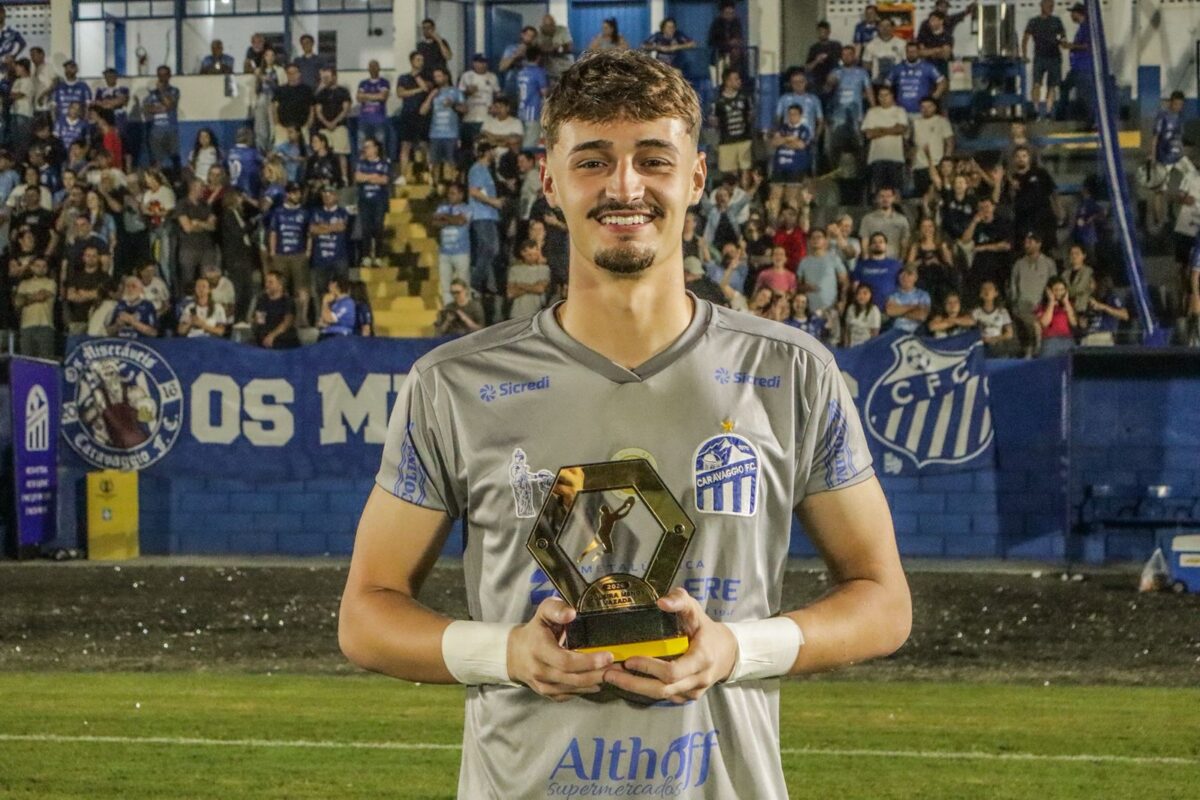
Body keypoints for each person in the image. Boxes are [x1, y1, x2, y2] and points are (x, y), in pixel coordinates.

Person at [340, 51, 909, 800]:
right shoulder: (451, 385)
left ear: (697, 178)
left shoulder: (795, 373)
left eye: (652, 159)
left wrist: (736, 648)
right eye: (593, 161)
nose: (624, 187)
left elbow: (884, 601)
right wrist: (508, 653)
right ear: (550, 182)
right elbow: (366, 613)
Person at [267, 181, 311, 325]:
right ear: (287, 194)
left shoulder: (304, 212)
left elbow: (310, 233)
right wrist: (273, 251)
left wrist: (308, 251)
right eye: (293, 192)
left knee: (302, 287)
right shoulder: (278, 212)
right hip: (281, 253)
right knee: (280, 287)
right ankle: (280, 317)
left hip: (298, 254)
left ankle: (302, 317)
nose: (296, 195)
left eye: (298, 192)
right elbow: (273, 232)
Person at [861, 85, 908, 197]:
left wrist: (880, 129)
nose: (883, 98)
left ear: (892, 96)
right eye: (880, 96)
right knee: (878, 191)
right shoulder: (872, 112)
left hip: (896, 157)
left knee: (896, 191)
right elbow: (869, 134)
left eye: (886, 95)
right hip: (877, 158)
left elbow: (901, 129)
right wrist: (892, 129)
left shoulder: (900, 111)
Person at [1023, 0, 1067, 120]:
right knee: (1036, 83)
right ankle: (1036, 110)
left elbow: (1063, 37)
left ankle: (1048, 112)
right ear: (1042, 5)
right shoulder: (1034, 22)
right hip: (1040, 57)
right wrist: (1024, 54)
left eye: (1052, 6)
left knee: (1052, 85)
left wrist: (1064, 43)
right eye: (1048, 5)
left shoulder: (1056, 21)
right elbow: (1025, 38)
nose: (1051, 8)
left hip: (1054, 57)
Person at [421, 67, 466, 184]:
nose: (437, 79)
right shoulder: (433, 92)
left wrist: (452, 104)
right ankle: (434, 187)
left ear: (446, 76)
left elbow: (465, 109)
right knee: (434, 162)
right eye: (435, 77)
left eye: (439, 76)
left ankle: (453, 186)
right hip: (435, 134)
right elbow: (422, 111)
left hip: (451, 134)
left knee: (452, 162)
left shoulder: (456, 91)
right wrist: (430, 96)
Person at [431, 182, 472, 304]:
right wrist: (452, 219)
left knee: (463, 283)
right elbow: (434, 223)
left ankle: (465, 309)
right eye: (449, 193)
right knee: (445, 286)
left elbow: (461, 221)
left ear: (461, 195)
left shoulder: (467, 208)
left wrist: (444, 217)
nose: (450, 196)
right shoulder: (442, 207)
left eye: (453, 193)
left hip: (461, 252)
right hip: (444, 252)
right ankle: (448, 309)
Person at [395, 51, 431, 181]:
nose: (420, 62)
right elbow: (400, 93)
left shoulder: (427, 76)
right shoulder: (403, 77)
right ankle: (403, 176)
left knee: (424, 145)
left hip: (422, 115)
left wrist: (417, 77)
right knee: (405, 145)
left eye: (422, 59)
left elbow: (426, 88)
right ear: (411, 61)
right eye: (417, 59)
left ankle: (428, 175)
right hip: (407, 114)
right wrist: (417, 90)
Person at [712, 70, 754, 180]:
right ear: (727, 81)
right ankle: (734, 196)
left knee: (745, 169)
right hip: (727, 141)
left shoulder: (745, 97)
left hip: (744, 139)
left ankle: (745, 195)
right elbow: (714, 121)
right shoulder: (718, 101)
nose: (739, 81)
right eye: (736, 79)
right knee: (731, 174)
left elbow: (750, 116)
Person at [355, 137, 390, 268]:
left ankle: (379, 255)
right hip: (364, 200)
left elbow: (384, 180)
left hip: (379, 200)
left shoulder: (383, 163)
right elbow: (358, 177)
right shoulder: (361, 163)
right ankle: (366, 256)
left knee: (378, 226)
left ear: (376, 148)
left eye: (369, 146)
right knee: (366, 228)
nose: (366, 149)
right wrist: (373, 177)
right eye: (365, 147)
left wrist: (367, 178)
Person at [889, 42, 946, 117]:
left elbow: (942, 81)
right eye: (908, 52)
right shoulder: (898, 67)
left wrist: (933, 98)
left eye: (913, 52)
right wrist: (890, 101)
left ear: (919, 52)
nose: (911, 54)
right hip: (901, 112)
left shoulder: (928, 67)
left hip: (921, 112)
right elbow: (886, 84)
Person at [309, 185, 350, 289]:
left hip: (339, 257)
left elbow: (341, 227)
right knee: (321, 290)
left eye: (330, 193)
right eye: (324, 193)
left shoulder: (342, 212)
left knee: (342, 288)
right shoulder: (316, 211)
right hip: (320, 259)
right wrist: (332, 227)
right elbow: (312, 229)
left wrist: (322, 227)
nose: (327, 196)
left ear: (336, 196)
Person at [13, 256, 55, 358]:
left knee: (45, 361)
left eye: (44, 266)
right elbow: (17, 302)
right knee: (27, 361)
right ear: (31, 267)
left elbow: (42, 296)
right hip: (26, 327)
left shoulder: (51, 283)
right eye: (38, 266)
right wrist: (34, 296)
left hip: (45, 326)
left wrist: (26, 298)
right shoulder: (24, 283)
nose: (41, 268)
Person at [852, 232, 903, 312]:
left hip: (889, 310)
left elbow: (903, 287)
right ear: (869, 246)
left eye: (881, 242)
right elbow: (855, 287)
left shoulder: (896, 265)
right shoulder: (861, 265)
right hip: (866, 311)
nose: (877, 244)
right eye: (874, 242)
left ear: (886, 245)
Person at [143, 67, 181, 172]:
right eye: (160, 75)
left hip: (171, 130)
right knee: (156, 160)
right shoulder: (151, 94)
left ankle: (177, 180)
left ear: (169, 76)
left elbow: (170, 105)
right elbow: (147, 109)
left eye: (165, 75)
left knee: (174, 157)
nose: (162, 78)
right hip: (156, 132)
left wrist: (161, 92)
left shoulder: (174, 91)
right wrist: (162, 108)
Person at [1061, 3, 1093, 125]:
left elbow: (1088, 46)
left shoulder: (1087, 28)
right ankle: (1062, 115)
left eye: (1072, 13)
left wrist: (1071, 46)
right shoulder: (1082, 28)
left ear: (1078, 13)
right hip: (1077, 67)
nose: (1071, 16)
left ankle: (1089, 121)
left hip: (1083, 68)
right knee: (1065, 88)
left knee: (1085, 95)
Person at [252, 270, 300, 348]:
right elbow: (260, 321)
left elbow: (287, 322)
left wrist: (272, 336)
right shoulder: (262, 299)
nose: (266, 285)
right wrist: (255, 320)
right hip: (263, 338)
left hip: (283, 339)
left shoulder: (288, 301)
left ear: (280, 285)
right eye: (266, 282)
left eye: (270, 282)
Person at [506, 238, 550, 319]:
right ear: (523, 253)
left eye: (535, 254)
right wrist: (532, 287)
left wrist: (519, 285)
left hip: (536, 315)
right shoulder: (515, 270)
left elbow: (540, 289)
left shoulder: (544, 269)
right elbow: (511, 293)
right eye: (529, 255)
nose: (533, 257)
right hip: (517, 314)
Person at [972, 280, 1017, 356]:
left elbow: (1009, 333)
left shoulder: (1002, 312)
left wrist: (995, 338)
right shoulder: (976, 312)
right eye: (984, 289)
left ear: (996, 293)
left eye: (990, 288)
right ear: (980, 294)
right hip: (981, 345)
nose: (987, 291)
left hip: (997, 345)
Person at [516, 47, 549, 150]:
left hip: (521, 110)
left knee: (522, 140)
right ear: (538, 57)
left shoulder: (521, 72)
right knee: (530, 144)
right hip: (533, 111)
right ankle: (525, 164)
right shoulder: (538, 72)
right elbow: (544, 92)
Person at [1035, 276, 1076, 357]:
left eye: (1062, 290)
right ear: (1049, 291)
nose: (1059, 293)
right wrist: (1051, 302)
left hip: (1068, 340)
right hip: (1050, 341)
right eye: (1056, 290)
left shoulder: (1068, 305)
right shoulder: (1042, 306)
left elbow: (1074, 323)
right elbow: (1044, 323)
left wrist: (1066, 302)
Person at [357, 60, 392, 152]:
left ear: (379, 68)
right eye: (370, 66)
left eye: (375, 66)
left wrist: (366, 96)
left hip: (379, 120)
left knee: (380, 146)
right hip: (364, 120)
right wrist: (375, 96)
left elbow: (383, 97)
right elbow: (358, 98)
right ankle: (363, 165)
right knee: (362, 146)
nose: (372, 68)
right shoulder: (363, 83)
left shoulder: (384, 82)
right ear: (368, 69)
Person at [885, 266, 931, 333]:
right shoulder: (893, 295)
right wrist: (914, 307)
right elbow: (890, 311)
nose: (905, 277)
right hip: (896, 332)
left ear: (916, 278)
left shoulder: (923, 295)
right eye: (902, 274)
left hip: (917, 333)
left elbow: (922, 316)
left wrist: (898, 311)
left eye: (909, 274)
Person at [806, 21, 842, 98]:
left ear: (829, 32)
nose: (822, 34)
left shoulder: (836, 45)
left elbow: (842, 62)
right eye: (820, 32)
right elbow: (808, 68)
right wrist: (816, 60)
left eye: (824, 31)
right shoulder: (814, 48)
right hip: (818, 82)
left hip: (834, 80)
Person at [537, 14, 574, 83]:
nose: (550, 28)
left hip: (565, 67)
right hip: (549, 70)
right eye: (547, 26)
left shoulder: (562, 30)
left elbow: (569, 47)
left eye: (552, 25)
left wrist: (558, 49)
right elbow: (539, 48)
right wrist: (553, 48)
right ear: (543, 26)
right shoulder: (540, 33)